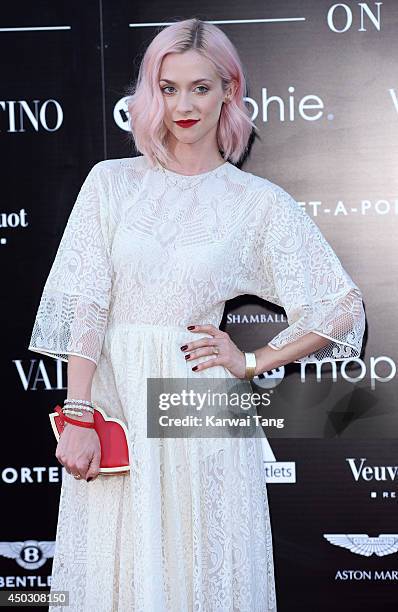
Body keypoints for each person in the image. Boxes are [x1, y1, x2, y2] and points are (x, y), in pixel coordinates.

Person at [28, 17, 365, 612]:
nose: (184, 105)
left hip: (197, 404)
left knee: (203, 569)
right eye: (168, 87)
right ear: (150, 95)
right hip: (117, 401)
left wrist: (252, 360)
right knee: (117, 573)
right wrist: (79, 413)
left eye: (201, 88)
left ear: (229, 90)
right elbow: (82, 302)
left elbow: (339, 306)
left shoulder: (253, 203)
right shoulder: (110, 184)